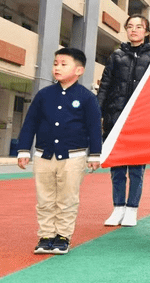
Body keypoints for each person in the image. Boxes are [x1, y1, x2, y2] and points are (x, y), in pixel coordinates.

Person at [16, 48, 102, 255]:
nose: (57, 68)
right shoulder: (44, 95)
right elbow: (30, 123)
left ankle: (63, 236)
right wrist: (23, 150)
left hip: (74, 156)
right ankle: (46, 235)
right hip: (43, 155)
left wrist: (95, 154)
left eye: (64, 64)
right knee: (45, 198)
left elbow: (93, 127)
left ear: (79, 70)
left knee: (67, 198)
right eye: (56, 63)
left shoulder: (87, 97)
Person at [97, 15, 150, 227]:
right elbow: (105, 85)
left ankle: (132, 209)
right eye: (130, 27)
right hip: (115, 116)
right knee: (116, 166)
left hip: (139, 119)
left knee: (135, 168)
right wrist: (98, 112)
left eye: (139, 27)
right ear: (126, 30)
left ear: (146, 31)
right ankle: (118, 208)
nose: (134, 30)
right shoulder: (116, 56)